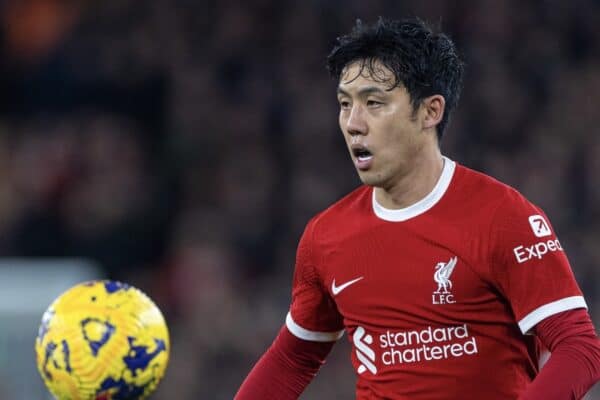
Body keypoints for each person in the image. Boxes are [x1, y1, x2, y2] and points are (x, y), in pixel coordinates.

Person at [235, 17, 600, 399]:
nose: (353, 124)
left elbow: (579, 349)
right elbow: (293, 359)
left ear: (430, 111)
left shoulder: (504, 217)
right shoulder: (325, 237)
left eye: (374, 103)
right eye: (345, 104)